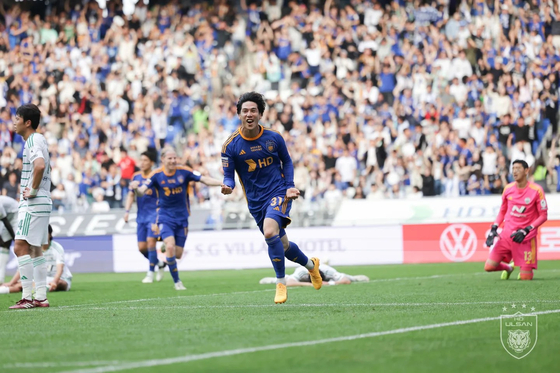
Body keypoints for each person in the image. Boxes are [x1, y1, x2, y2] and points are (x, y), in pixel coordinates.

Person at [221, 91, 322, 304]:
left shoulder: (273, 137)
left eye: (253, 111)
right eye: (245, 110)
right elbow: (229, 177)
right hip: (255, 202)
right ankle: (312, 266)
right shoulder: (230, 146)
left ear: (260, 114)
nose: (249, 114)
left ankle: (281, 283)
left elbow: (287, 162)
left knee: (269, 232)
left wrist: (290, 187)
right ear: (239, 114)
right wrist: (228, 187)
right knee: (282, 245)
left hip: (277, 193)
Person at [131, 147, 222, 290]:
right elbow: (142, 191)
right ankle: (177, 282)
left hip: (182, 218)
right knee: (171, 247)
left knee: (177, 254)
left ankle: (164, 245)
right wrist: (136, 188)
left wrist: (222, 183)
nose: (173, 160)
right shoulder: (156, 175)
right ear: (163, 160)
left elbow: (203, 179)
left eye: (175, 158)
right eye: (170, 158)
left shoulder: (184, 171)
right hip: (165, 217)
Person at [10, 104, 51, 309]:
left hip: (33, 202)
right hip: (44, 201)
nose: (14, 122)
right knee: (35, 249)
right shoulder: (40, 139)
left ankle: (27, 298)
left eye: (17, 118)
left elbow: (40, 165)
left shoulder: (32, 140)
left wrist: (32, 190)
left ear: (27, 122)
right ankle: (41, 297)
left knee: (20, 247)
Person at [484, 160, 548, 281]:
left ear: (526, 170)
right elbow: (502, 211)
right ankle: (509, 268)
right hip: (507, 236)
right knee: (489, 267)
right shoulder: (508, 189)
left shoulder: (537, 190)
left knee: (525, 277)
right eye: (513, 168)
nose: (515, 171)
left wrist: (526, 230)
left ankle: (524, 269)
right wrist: (494, 228)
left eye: (518, 168)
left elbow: (543, 216)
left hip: (526, 238)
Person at [124, 151, 166, 283]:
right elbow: (131, 195)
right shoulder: (136, 176)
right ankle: (159, 264)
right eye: (141, 160)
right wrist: (127, 211)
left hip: (154, 215)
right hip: (141, 216)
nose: (142, 163)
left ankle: (150, 273)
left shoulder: (156, 177)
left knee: (151, 242)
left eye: (145, 160)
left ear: (151, 163)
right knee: (142, 248)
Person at [1, 225, 72, 294]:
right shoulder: (34, 249)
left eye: (44, 234)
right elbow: (23, 268)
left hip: (60, 279)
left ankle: (41, 288)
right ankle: (3, 290)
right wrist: (11, 283)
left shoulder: (57, 248)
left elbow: (60, 268)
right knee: (20, 285)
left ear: (50, 235)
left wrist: (54, 281)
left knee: (60, 283)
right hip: (41, 279)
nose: (42, 237)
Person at [259, 263, 370, 287]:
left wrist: (330, 283)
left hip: (327, 277)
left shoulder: (327, 270)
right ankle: (272, 280)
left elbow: (345, 281)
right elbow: (289, 283)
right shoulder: (302, 271)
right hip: (304, 278)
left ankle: (356, 277)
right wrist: (311, 285)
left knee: (345, 276)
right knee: (286, 278)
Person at [0, 195, 18, 284]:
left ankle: (24, 276)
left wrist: (15, 239)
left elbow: (6, 222)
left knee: (20, 243)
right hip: (5, 217)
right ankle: (1, 279)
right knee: (3, 245)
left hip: (15, 214)